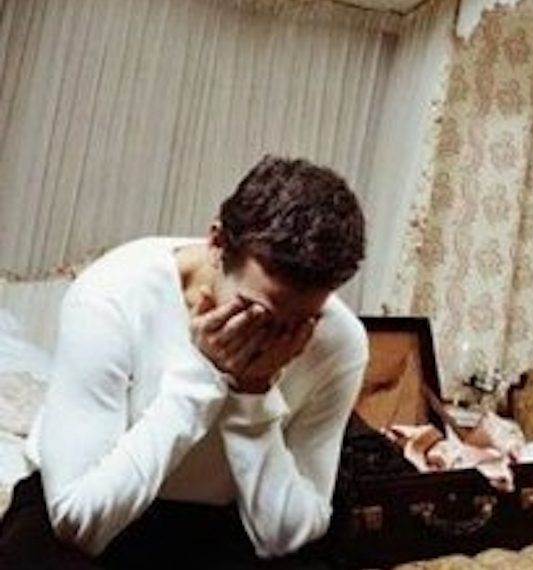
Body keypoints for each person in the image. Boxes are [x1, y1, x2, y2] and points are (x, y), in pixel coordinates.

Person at [0, 155, 369, 569]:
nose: (273, 338)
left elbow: (288, 537)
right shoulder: (112, 294)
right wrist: (203, 378)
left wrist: (253, 393)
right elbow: (80, 519)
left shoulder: (339, 339)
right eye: (256, 314)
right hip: (90, 509)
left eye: (300, 322)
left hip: (222, 525)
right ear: (217, 244)